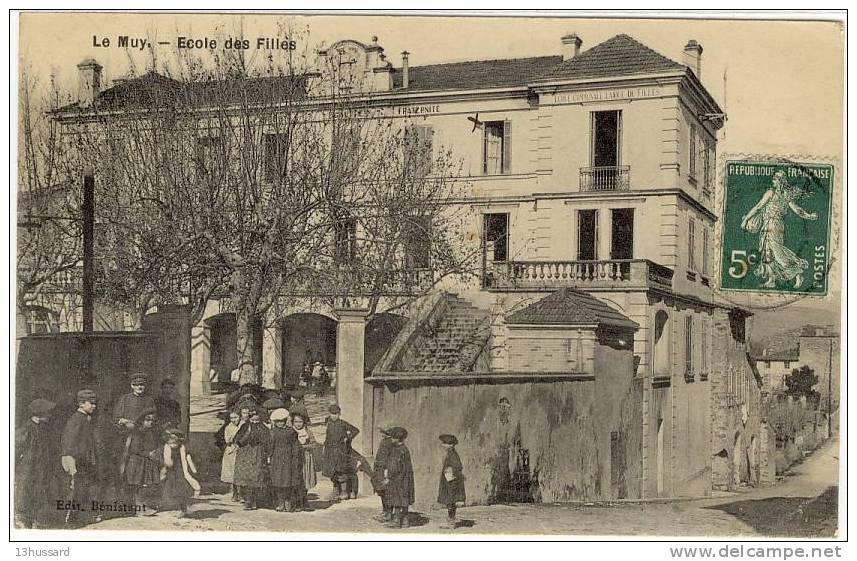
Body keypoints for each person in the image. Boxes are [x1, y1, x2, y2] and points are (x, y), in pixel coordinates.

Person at [741, 169, 819, 289]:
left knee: (777, 253)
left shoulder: (770, 193)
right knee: (768, 252)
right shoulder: (786, 195)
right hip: (771, 225)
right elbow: (798, 210)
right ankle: (771, 279)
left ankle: (797, 271)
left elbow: (758, 207)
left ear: (779, 181)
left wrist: (746, 219)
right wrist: (809, 216)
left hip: (773, 225)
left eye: (775, 179)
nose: (773, 181)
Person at [15, 398, 57, 528]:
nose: (50, 415)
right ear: (40, 413)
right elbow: (15, 451)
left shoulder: (43, 429)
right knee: (25, 493)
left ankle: (33, 520)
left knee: (37, 493)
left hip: (39, 469)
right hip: (27, 469)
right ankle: (22, 520)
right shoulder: (26, 430)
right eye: (48, 412)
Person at [60, 389, 99, 527]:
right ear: (82, 404)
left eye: (95, 403)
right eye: (91, 403)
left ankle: (82, 517)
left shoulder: (86, 418)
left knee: (85, 488)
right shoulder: (76, 419)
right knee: (77, 489)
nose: (94, 406)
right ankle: (72, 520)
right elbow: (68, 440)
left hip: (86, 459)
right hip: (78, 460)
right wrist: (69, 458)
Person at [121, 409, 162, 516]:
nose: (150, 422)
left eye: (153, 420)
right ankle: (138, 509)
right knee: (138, 486)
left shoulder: (152, 432)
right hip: (137, 462)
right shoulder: (138, 433)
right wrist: (148, 454)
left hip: (147, 462)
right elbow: (134, 449)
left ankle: (143, 507)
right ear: (142, 421)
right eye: (147, 420)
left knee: (145, 486)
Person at [268, 408, 304, 512]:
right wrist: (269, 457)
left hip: (289, 459)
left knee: (288, 481)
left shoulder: (291, 431)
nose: (280, 423)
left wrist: (295, 457)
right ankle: (280, 502)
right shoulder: (273, 432)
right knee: (278, 481)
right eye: (277, 421)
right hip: (277, 459)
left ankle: (288, 501)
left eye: (282, 421)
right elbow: (270, 446)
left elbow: (295, 445)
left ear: (285, 421)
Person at [233, 406, 269, 510]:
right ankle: (248, 500)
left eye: (257, 420)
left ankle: (255, 501)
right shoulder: (245, 427)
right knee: (246, 479)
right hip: (245, 455)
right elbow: (237, 439)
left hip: (258, 454)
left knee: (256, 478)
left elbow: (267, 441)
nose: (255, 422)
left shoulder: (263, 428)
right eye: (252, 420)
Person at [322, 404, 360, 500]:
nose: (334, 416)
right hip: (330, 451)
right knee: (333, 471)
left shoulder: (343, 423)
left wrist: (348, 438)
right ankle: (335, 492)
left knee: (341, 471)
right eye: (332, 414)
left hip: (340, 451)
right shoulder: (329, 423)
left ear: (339, 414)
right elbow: (328, 437)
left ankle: (344, 492)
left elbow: (355, 430)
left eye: (336, 414)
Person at [160, 428, 199, 518]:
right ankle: (179, 508)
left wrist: (193, 469)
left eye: (175, 442)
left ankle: (183, 509)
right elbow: (166, 460)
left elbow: (188, 458)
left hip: (181, 472)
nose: (173, 444)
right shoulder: (167, 448)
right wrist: (166, 465)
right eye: (171, 442)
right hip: (171, 472)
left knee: (181, 490)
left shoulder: (182, 448)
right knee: (171, 490)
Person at [383, 427, 415, 529]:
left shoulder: (398, 450)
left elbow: (394, 466)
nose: (391, 440)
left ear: (398, 439)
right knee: (404, 498)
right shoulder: (405, 449)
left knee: (397, 499)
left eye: (393, 438)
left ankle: (396, 521)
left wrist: (388, 477)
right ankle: (405, 521)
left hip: (398, 478)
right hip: (405, 478)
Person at [437, 434, 466, 529]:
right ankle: (450, 521)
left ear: (451, 445)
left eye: (445, 443)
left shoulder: (453, 455)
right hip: (449, 481)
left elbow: (457, 468)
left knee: (451, 502)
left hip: (452, 482)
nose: (443, 445)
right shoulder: (451, 453)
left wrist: (450, 474)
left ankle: (451, 522)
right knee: (450, 502)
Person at [291, 411, 316, 510]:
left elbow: (314, 444)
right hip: (294, 458)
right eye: (296, 422)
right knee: (296, 479)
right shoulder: (291, 431)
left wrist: (304, 447)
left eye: (300, 422)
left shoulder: (308, 432)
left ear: (304, 422)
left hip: (306, 458)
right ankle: (297, 502)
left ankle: (305, 501)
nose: (298, 424)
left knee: (305, 478)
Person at [372, 427, 395, 523]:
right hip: (379, 470)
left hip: (385, 470)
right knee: (381, 492)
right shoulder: (384, 441)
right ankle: (384, 511)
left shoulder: (390, 442)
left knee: (387, 493)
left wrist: (387, 471)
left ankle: (388, 514)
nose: (381, 434)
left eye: (383, 432)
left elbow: (389, 458)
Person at [220, 410, 242, 502]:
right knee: (232, 473)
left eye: (235, 417)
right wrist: (234, 435)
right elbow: (227, 440)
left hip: (240, 449)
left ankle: (241, 494)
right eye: (231, 418)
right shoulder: (228, 427)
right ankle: (234, 493)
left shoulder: (243, 426)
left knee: (241, 472)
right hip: (231, 450)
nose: (233, 420)